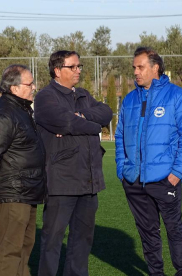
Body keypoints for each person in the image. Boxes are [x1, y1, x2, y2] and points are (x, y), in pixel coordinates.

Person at [115, 47, 182, 276]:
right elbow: (120, 135)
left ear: (155, 68)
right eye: (134, 67)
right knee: (147, 232)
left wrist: (177, 172)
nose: (136, 72)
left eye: (140, 67)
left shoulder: (177, 96)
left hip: (165, 179)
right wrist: (122, 168)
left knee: (173, 229)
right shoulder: (130, 99)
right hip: (134, 180)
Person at [34, 50, 113, 276]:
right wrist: (94, 126)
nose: (78, 70)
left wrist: (82, 117)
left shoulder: (83, 95)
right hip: (61, 182)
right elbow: (65, 122)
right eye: (73, 67)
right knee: (52, 241)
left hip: (89, 181)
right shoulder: (45, 97)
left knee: (82, 241)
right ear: (57, 71)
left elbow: (106, 112)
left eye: (79, 66)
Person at [0, 65, 46, 276]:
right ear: (14, 88)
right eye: (29, 83)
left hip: (27, 190)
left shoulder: (20, 109)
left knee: (24, 246)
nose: (34, 87)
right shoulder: (5, 114)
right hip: (13, 191)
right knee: (9, 250)